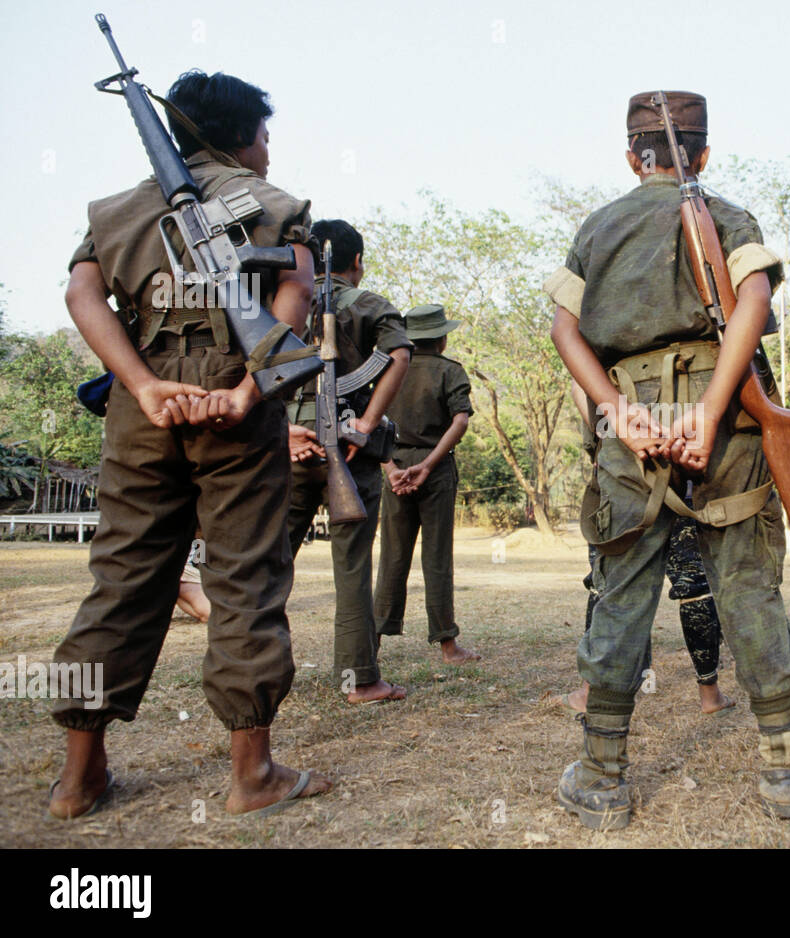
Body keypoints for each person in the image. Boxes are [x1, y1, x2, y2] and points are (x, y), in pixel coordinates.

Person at [50, 69, 330, 818]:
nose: (268, 149)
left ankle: (77, 781)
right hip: (240, 399)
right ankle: (253, 775)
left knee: (121, 583)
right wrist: (245, 392)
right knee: (245, 584)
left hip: (146, 409)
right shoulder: (276, 207)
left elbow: (82, 294)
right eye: (264, 135)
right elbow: (296, 292)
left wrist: (141, 384)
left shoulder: (116, 210)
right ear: (243, 138)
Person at [546, 90, 790, 829]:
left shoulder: (598, 226)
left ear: (631, 156)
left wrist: (616, 410)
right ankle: (786, 769)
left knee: (622, 593)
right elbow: (755, 297)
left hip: (629, 404)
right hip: (724, 400)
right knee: (747, 587)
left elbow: (564, 331)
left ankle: (602, 775)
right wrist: (708, 410)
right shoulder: (729, 214)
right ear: (703, 154)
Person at [285, 220, 412, 703]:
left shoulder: (284, 301)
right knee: (353, 565)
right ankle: (360, 678)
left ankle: (263, 670)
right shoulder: (369, 303)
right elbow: (399, 355)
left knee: (271, 563)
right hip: (349, 447)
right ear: (356, 262)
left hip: (292, 444)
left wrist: (281, 429)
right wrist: (367, 422)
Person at [567, 382, 734, 715]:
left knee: (611, 585)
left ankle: (591, 692)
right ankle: (709, 694)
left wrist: (608, 433)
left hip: (625, 471)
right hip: (686, 464)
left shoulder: (602, 337)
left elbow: (579, 385)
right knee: (694, 587)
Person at [373, 304, 480, 664]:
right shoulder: (450, 371)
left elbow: (369, 422)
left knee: (392, 555)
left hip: (395, 467)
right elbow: (460, 422)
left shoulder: (387, 370)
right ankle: (448, 645)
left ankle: (372, 642)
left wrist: (390, 468)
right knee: (437, 557)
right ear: (442, 338)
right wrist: (429, 464)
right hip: (435, 472)